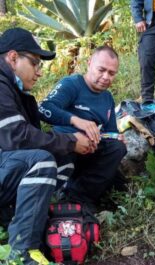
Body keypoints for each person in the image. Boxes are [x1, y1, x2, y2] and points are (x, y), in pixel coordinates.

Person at [0, 28, 94, 265]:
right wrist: (71, 140)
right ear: (12, 58)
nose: (39, 72)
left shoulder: (18, 93)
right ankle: (22, 252)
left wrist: (69, 145)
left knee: (61, 157)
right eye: (35, 63)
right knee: (42, 161)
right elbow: (17, 137)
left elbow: (29, 141)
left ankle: (40, 220)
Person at [39, 46, 127, 212]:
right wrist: (75, 120)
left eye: (111, 73)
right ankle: (69, 195)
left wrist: (117, 137)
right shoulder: (71, 84)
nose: (106, 77)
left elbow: (111, 132)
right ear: (89, 63)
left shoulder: (107, 97)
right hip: (65, 148)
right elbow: (44, 108)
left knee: (117, 148)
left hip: (90, 151)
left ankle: (78, 196)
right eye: (101, 70)